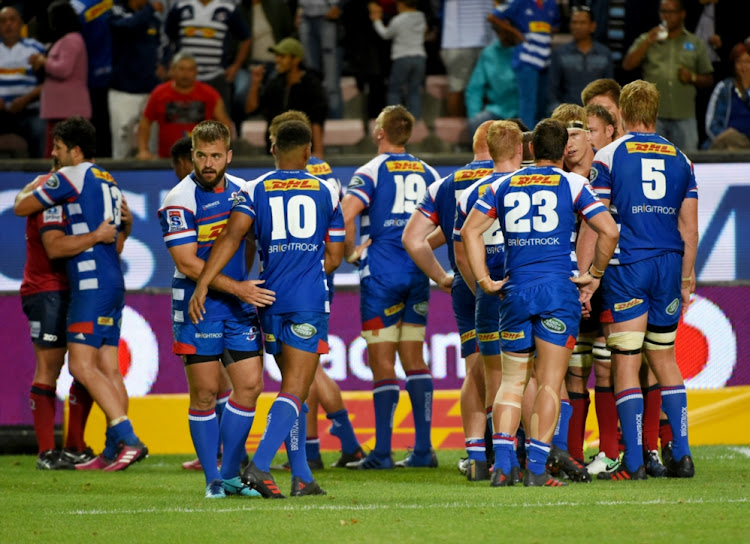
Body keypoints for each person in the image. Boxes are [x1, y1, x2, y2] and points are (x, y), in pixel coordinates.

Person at [189, 119, 344, 498]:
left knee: (292, 391)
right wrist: (307, 269)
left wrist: (204, 282)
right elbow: (336, 256)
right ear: (308, 151)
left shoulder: (253, 189)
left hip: (267, 299)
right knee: (295, 389)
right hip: (308, 301)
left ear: (273, 149)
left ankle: (302, 475)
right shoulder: (328, 188)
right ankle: (258, 465)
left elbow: (231, 236)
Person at [461, 118, 618, 487]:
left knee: (512, 383)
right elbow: (608, 230)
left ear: (530, 149)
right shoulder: (575, 183)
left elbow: (469, 231)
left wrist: (485, 279)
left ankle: (502, 466)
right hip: (556, 293)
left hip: (514, 291)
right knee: (548, 384)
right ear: (565, 150)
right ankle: (534, 470)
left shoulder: (502, 184)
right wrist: (594, 274)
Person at [579, 79, 699, 480]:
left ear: (623, 114)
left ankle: (633, 460)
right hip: (668, 264)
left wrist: (589, 277)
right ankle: (681, 454)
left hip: (628, 266)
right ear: (656, 111)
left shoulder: (609, 157)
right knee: (665, 359)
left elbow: (597, 225)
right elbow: (690, 227)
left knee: (626, 362)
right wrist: (685, 280)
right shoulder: (682, 158)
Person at [14, 116, 146, 472]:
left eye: (57, 148)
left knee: (80, 366)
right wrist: (121, 230)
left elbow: (21, 206)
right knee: (106, 367)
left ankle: (128, 438)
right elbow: (115, 240)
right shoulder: (109, 180)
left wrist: (38, 185)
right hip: (111, 279)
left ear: (73, 150)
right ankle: (111, 449)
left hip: (87, 284)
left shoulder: (68, 178)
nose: (53, 154)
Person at [158, 121, 269, 498]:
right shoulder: (178, 199)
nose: (208, 163)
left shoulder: (243, 192)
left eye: (216, 156)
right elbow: (187, 263)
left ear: (229, 156)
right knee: (205, 394)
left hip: (236, 306)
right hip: (197, 305)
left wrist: (245, 280)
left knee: (250, 385)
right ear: (192, 155)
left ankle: (230, 472)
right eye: (202, 155)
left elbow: (249, 238)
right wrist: (237, 285)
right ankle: (213, 482)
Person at [342, 105, 440, 470]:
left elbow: (346, 212)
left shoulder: (370, 171)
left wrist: (352, 253)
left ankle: (382, 452)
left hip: (381, 277)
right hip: (416, 273)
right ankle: (423, 450)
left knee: (382, 363)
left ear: (380, 131)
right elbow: (442, 220)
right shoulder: (428, 172)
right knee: (415, 359)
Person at [265, 110, 365, 471]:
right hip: (319, 277)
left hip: (299, 280)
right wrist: (345, 256)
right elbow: (343, 229)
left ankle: (328, 446)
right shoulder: (325, 175)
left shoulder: (278, 180)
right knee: (307, 368)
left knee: (303, 369)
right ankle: (318, 448)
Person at [402, 120, 495, 480]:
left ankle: (475, 455)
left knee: (475, 369)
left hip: (465, 285)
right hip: (506, 282)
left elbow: (413, 239)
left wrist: (441, 276)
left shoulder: (445, 184)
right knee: (517, 370)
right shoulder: (517, 177)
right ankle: (512, 450)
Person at [19, 170, 118, 469]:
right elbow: (54, 246)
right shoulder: (48, 198)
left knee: (84, 365)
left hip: (78, 290)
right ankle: (47, 452)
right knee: (49, 368)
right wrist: (97, 235)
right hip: (46, 290)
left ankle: (75, 445)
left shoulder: (78, 199)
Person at [452, 120, 525, 483]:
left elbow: (461, 249)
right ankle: (527, 454)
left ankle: (490, 457)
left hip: (487, 293)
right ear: (520, 149)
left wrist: (483, 284)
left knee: (491, 374)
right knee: (533, 375)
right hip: (527, 290)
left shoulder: (471, 192)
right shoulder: (532, 184)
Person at [622, 0, 714, 151]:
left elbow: (709, 79)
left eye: (671, 12)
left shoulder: (695, 42)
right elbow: (628, 65)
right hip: (653, 117)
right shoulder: (648, 38)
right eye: (663, 12)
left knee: (688, 159)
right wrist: (647, 42)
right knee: (651, 159)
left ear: (682, 14)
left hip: (685, 115)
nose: (667, 16)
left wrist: (692, 78)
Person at [136, 52, 232, 160]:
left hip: (202, 160)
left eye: (190, 70)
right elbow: (145, 123)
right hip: (167, 160)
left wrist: (220, 151)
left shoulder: (210, 94)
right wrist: (143, 150)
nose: (185, 74)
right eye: (181, 69)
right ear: (172, 70)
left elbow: (224, 125)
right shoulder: (159, 93)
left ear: (196, 72)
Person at [245, 37, 328, 158]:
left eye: (282, 56)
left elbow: (316, 120)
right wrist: (255, 83)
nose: (277, 60)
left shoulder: (311, 84)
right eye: (277, 56)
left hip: (302, 152)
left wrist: (318, 152)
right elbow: (251, 109)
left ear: (296, 59)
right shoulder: (275, 83)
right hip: (275, 152)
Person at [28, 0, 90, 157]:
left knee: (67, 156)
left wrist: (44, 61)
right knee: (55, 155)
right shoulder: (62, 40)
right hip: (58, 110)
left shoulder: (72, 40)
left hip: (69, 110)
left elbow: (63, 70)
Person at [164, 0, 251, 108]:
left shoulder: (228, 9)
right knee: (182, 119)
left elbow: (246, 38)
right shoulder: (181, 7)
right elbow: (167, 37)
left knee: (219, 121)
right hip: (184, 77)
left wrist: (236, 66)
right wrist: (169, 64)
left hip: (216, 76)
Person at [487, 0, 560, 130]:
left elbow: (556, 25)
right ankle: (526, 141)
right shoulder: (519, 2)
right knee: (528, 103)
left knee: (542, 104)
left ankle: (538, 141)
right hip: (526, 58)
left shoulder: (551, 4)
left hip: (545, 58)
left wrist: (543, 35)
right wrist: (514, 32)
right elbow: (493, 16)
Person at [108, 0, 164, 159]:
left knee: (152, 141)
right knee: (121, 139)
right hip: (123, 89)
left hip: (150, 88)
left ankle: (154, 182)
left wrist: (164, 64)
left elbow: (164, 44)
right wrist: (149, 10)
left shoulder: (155, 19)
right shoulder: (115, 11)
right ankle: (118, 180)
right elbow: (128, 26)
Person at [547, 5, 613, 114]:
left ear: (592, 26)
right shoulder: (560, 54)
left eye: (582, 23)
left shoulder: (605, 54)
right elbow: (552, 90)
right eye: (574, 22)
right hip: (568, 115)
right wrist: (559, 114)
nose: (577, 26)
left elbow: (610, 90)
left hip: (597, 114)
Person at [369, 0, 427, 120]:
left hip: (402, 58)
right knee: (414, 91)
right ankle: (415, 122)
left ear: (401, 4)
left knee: (395, 90)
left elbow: (386, 34)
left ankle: (394, 120)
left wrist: (376, 21)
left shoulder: (398, 20)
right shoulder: (421, 17)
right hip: (420, 58)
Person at [0, 6, 45, 158]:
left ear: (20, 24)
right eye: (3, 21)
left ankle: (42, 176)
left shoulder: (35, 48)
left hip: (29, 109)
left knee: (40, 129)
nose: (8, 24)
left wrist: (26, 100)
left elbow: (47, 84)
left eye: (12, 20)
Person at [71, 0, 114, 158]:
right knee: (94, 126)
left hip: (116, 75)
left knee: (109, 128)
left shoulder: (113, 2)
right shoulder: (76, 5)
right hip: (87, 78)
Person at [438, 0, 494, 117]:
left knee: (491, 89)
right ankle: (456, 133)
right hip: (457, 42)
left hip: (488, 39)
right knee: (457, 88)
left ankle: (485, 131)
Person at [464, 29, 519, 138]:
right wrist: (473, 116)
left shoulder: (528, 51)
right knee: (476, 124)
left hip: (524, 110)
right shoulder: (488, 53)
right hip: (498, 110)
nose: (504, 35)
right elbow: (474, 89)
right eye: (501, 31)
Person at [297, 0, 343, 119]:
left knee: (331, 79)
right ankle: (313, 120)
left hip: (328, 15)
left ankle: (336, 122)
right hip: (305, 15)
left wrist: (339, 5)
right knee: (311, 76)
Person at [704, 41, 750, 150]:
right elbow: (711, 125)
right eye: (739, 62)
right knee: (730, 136)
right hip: (726, 144)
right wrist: (726, 142)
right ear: (734, 65)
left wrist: (747, 90)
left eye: (748, 62)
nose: (743, 67)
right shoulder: (723, 87)